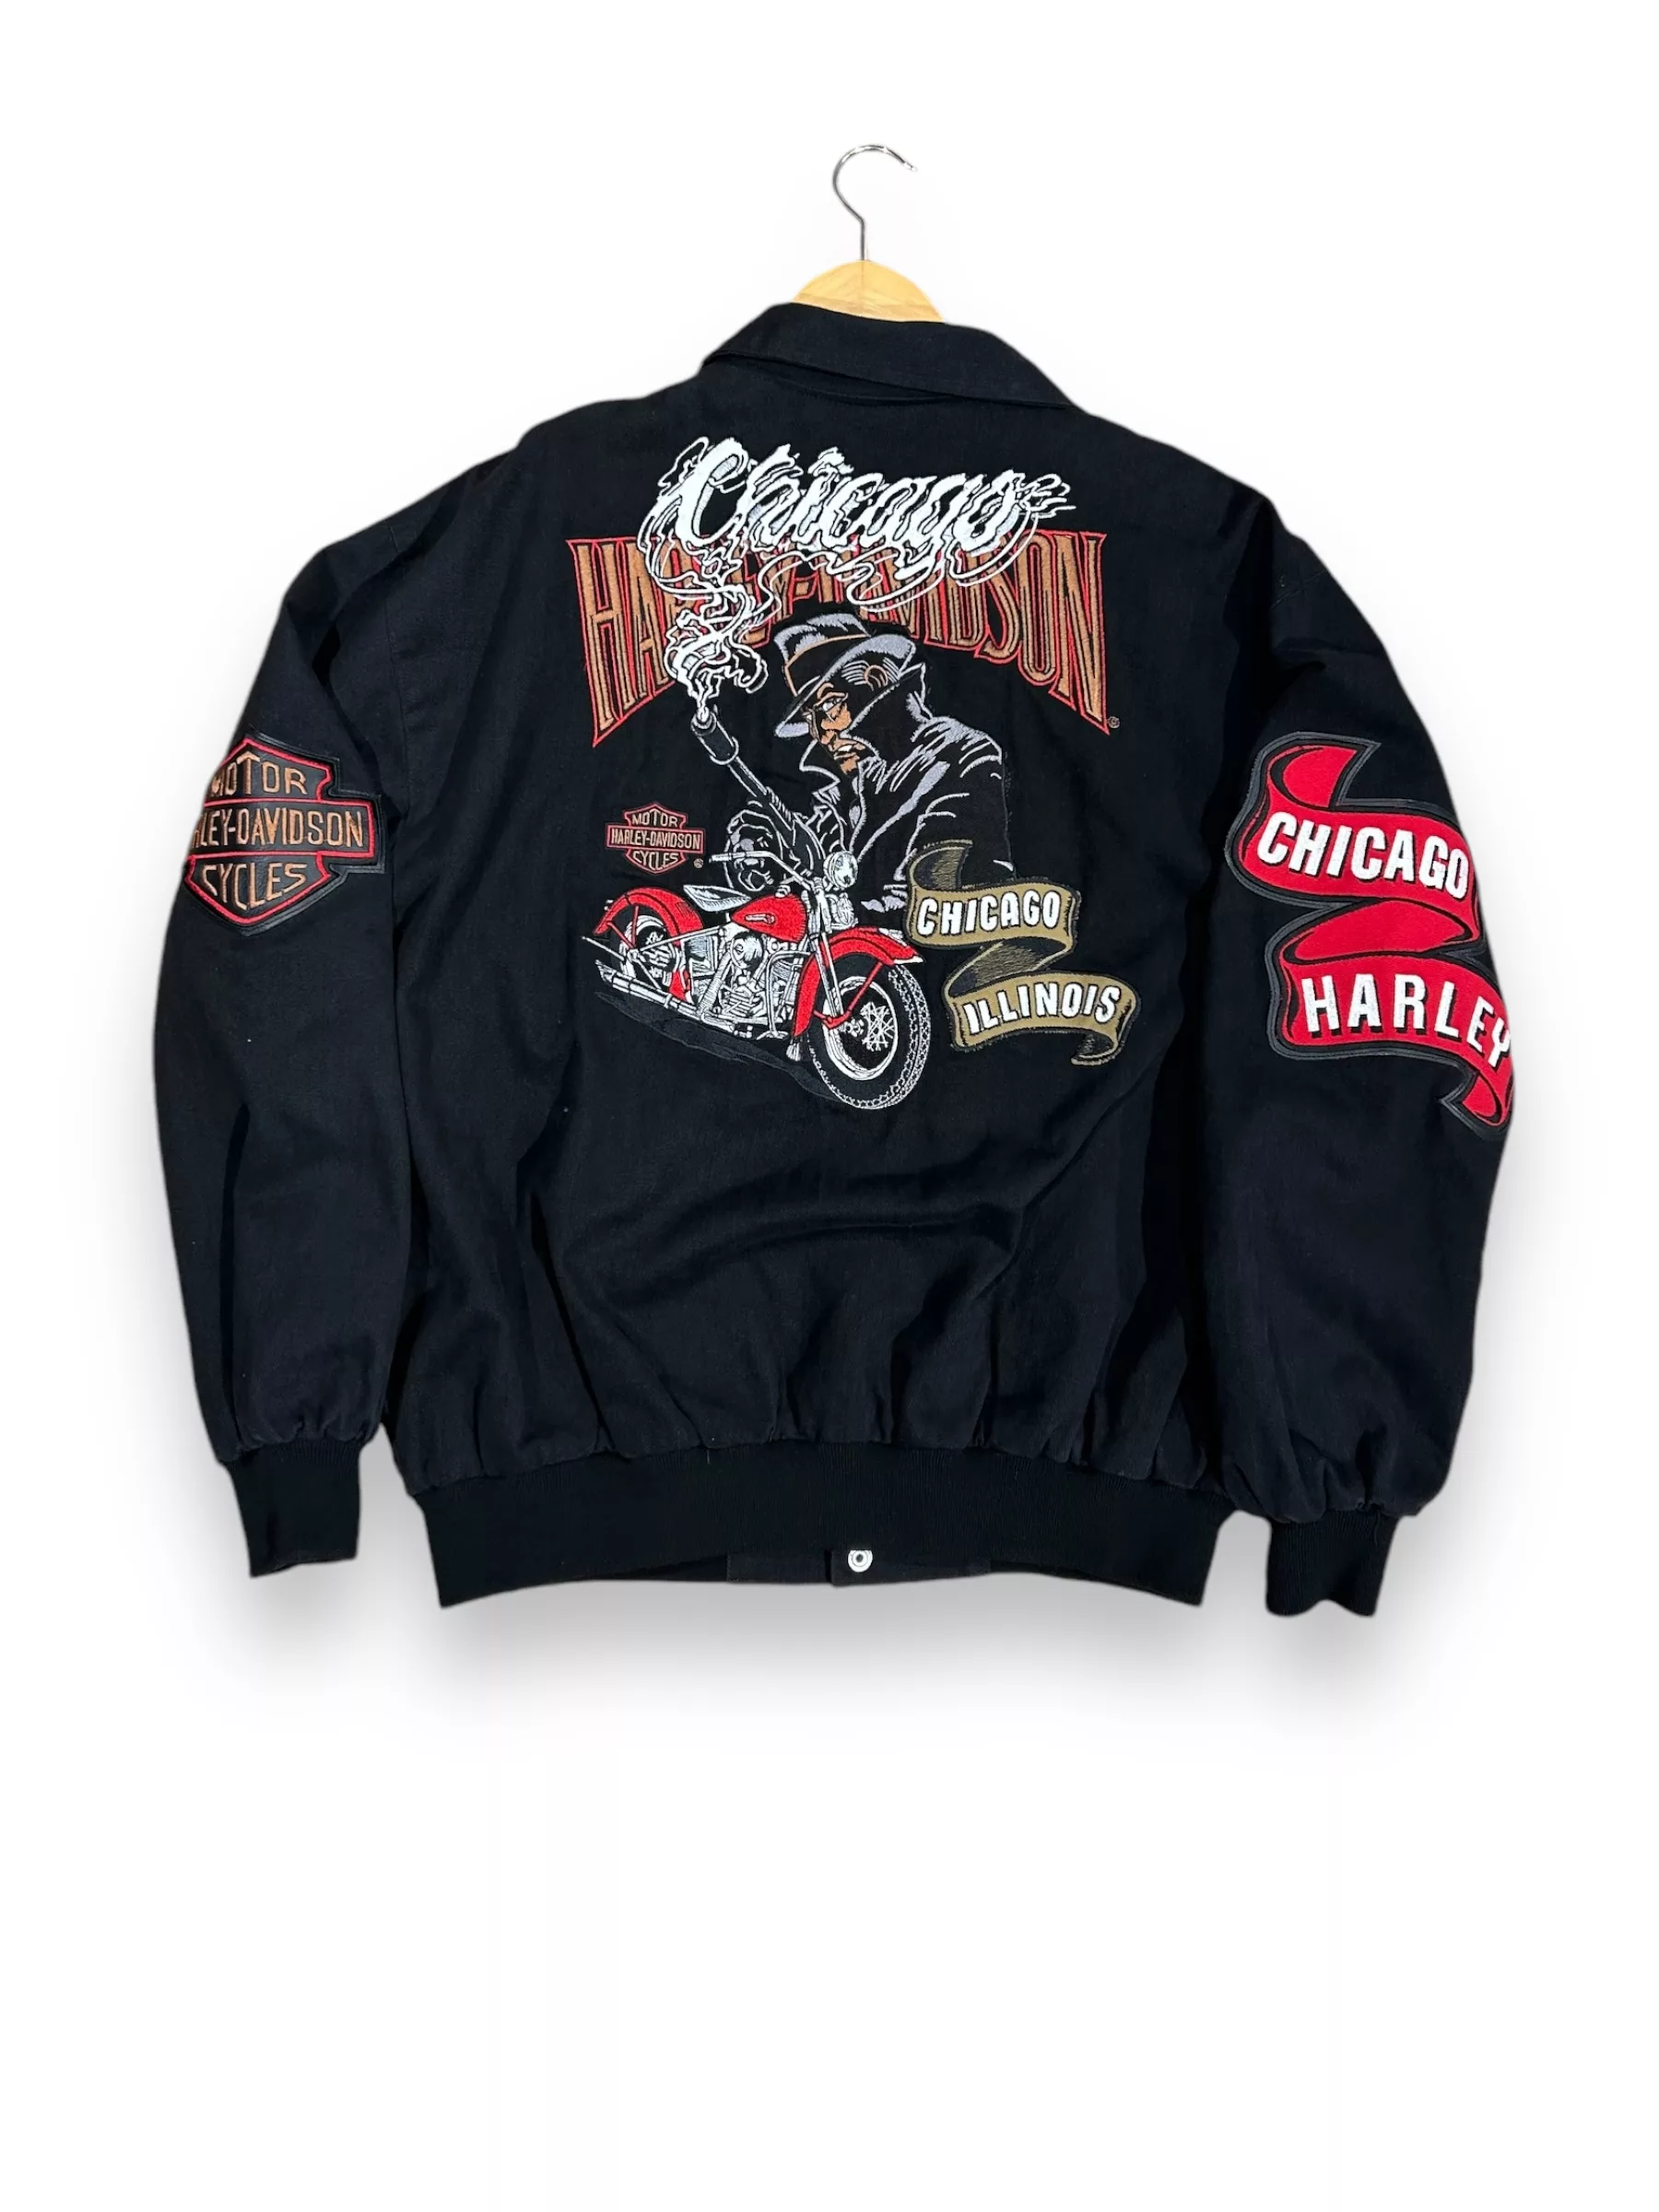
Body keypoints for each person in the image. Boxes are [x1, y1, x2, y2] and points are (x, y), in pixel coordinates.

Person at [730, 608, 1013, 920]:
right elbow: (811, 854)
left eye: (829, 704)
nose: (821, 733)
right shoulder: (850, 793)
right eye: (810, 717)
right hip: (853, 949)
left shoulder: (961, 755)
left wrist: (838, 912)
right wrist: (765, 846)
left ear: (877, 679)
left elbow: (936, 892)